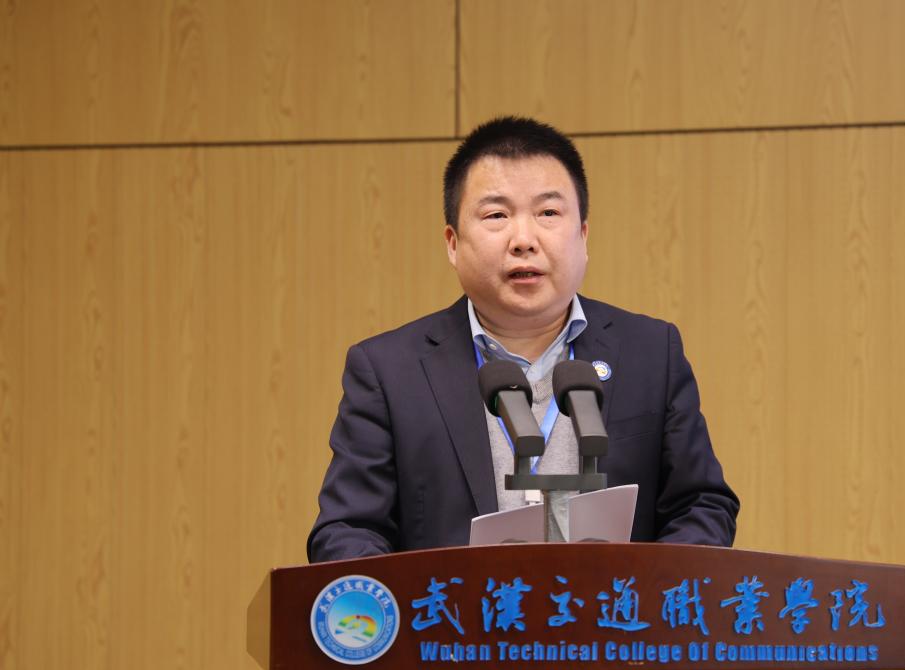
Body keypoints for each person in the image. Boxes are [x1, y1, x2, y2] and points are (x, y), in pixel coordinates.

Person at [308, 116, 738, 562]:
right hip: (452, 609)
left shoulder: (650, 352)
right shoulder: (389, 371)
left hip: (617, 607)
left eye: (548, 213)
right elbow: (349, 529)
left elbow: (701, 505)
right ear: (453, 243)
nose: (524, 240)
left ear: (583, 235)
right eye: (497, 215)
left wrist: (650, 589)